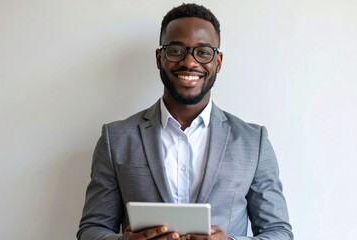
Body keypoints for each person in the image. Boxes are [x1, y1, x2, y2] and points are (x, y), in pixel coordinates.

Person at [77, 3, 293, 240]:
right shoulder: (116, 138)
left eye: (203, 52)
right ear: (160, 58)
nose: (189, 63)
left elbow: (279, 232)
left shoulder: (254, 142)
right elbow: (91, 229)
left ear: (218, 62)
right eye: (176, 50)